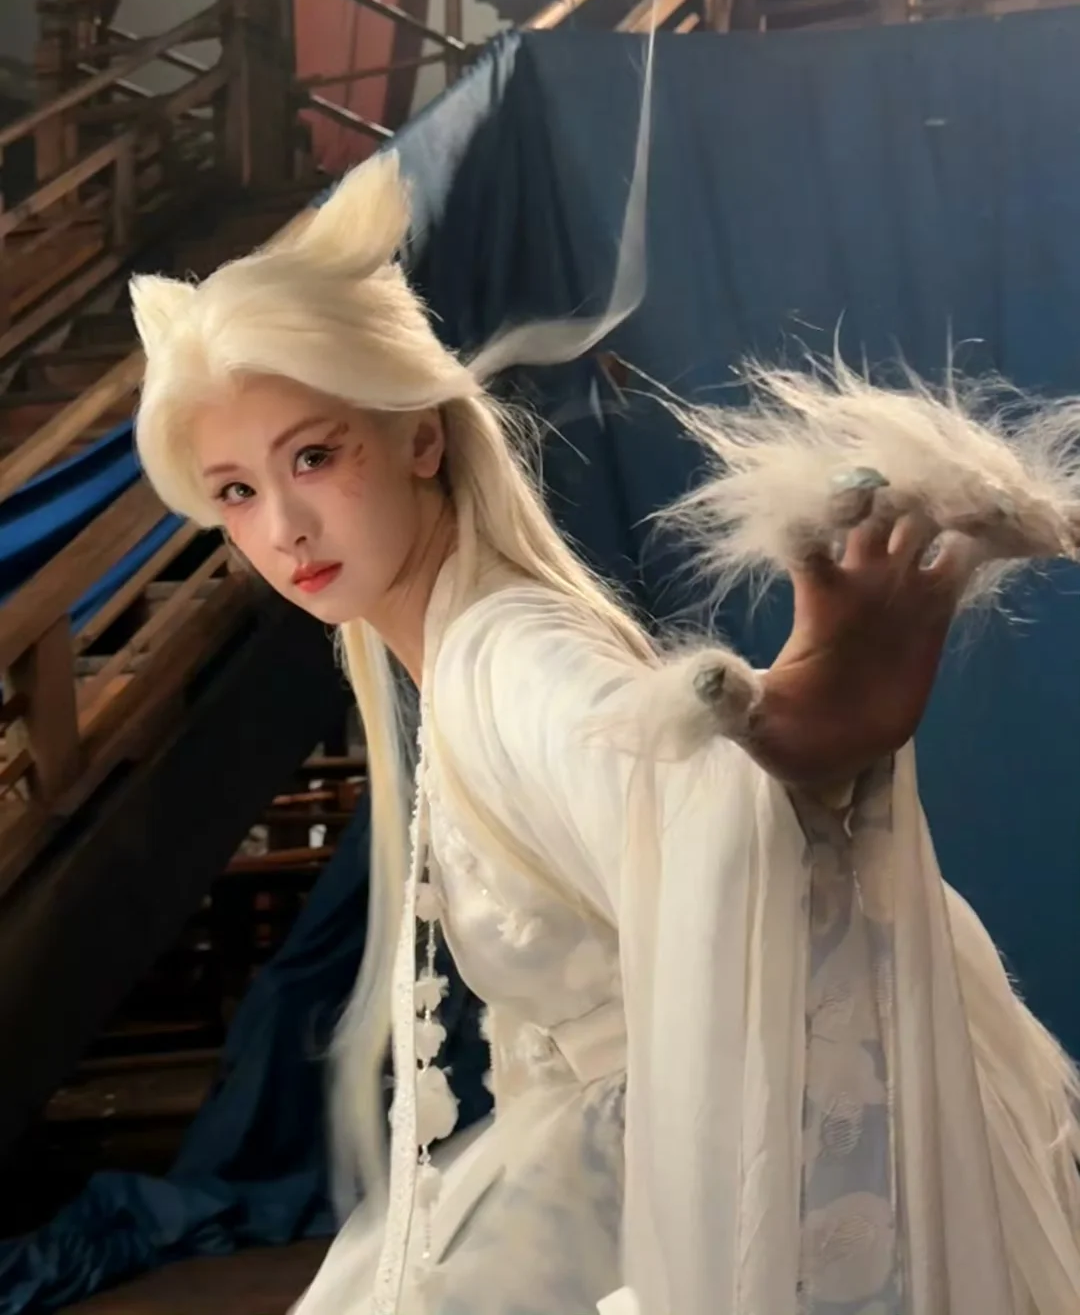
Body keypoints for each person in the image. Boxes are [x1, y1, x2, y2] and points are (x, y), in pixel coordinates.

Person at [129, 153, 1080, 1315]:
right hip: (589, 1178)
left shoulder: (508, 656)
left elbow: (632, 763)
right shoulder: (451, 647)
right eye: (235, 491)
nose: (283, 526)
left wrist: (782, 743)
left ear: (421, 437)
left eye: (314, 457)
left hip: (653, 1172)